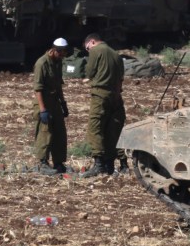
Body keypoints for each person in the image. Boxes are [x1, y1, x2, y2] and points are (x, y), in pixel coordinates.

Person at [81, 33, 127, 177]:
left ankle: (99, 164)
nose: (88, 51)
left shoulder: (96, 51)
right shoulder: (116, 55)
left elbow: (89, 72)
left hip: (100, 95)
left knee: (94, 128)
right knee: (112, 130)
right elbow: (120, 79)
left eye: (87, 48)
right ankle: (116, 164)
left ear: (92, 42)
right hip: (116, 96)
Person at [32, 37, 70, 176]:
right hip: (44, 103)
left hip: (55, 103)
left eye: (64, 53)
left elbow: (59, 85)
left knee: (60, 133)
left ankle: (59, 162)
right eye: (60, 53)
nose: (62, 55)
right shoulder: (42, 63)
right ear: (54, 50)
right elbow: (38, 89)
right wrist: (43, 109)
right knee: (45, 132)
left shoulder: (58, 62)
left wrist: (63, 103)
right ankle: (43, 163)